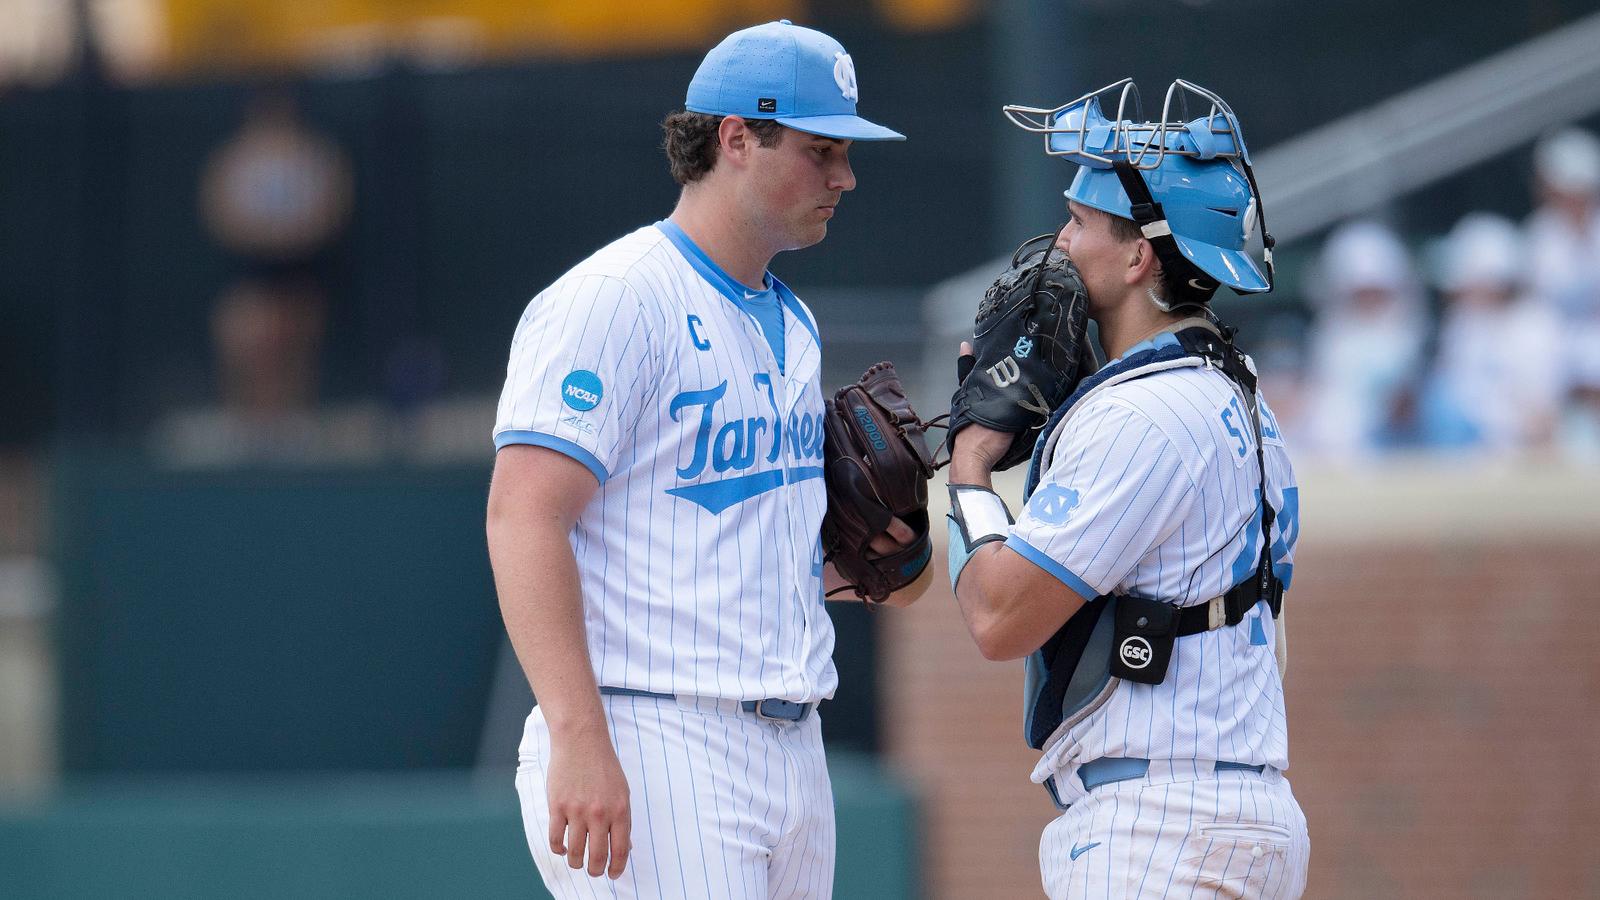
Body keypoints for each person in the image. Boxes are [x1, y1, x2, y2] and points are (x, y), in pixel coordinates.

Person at [485, 20, 920, 898]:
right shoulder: (616, 299)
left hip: (791, 742)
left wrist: (859, 561)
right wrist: (578, 737)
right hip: (654, 731)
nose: (846, 176)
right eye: (821, 150)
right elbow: (523, 515)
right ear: (734, 139)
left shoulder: (792, 320)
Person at [945, 80, 1309, 897]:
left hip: (1159, 826)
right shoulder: (1234, 387)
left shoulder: (1142, 413)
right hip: (1229, 803)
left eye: (1079, 223)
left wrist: (969, 465)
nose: (1061, 244)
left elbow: (999, 617)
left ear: (1140, 254)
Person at [1418, 213, 1563, 453]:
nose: (1456, 290)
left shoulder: (1535, 325)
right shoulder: (1464, 321)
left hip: (1514, 450)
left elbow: (1541, 412)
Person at [1300, 220, 1428, 459]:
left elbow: (1406, 405)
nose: (1368, 298)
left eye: (1375, 290)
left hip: (1396, 442)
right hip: (1336, 445)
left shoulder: (1407, 333)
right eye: (1359, 291)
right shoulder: (1331, 333)